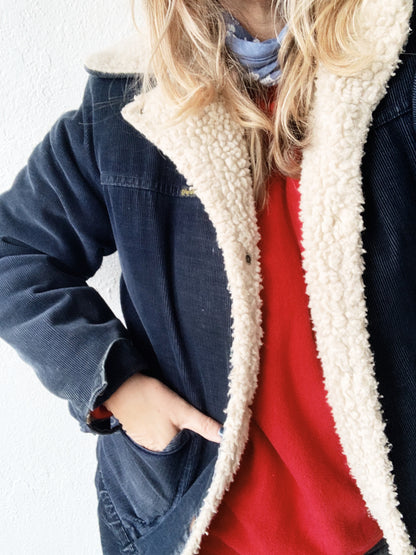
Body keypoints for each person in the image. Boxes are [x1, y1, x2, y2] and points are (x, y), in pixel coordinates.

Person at [0, 0, 415, 553]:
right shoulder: (129, 101)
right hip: (191, 525)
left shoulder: (395, 68)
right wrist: (113, 382)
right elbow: (13, 251)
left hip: (387, 526)